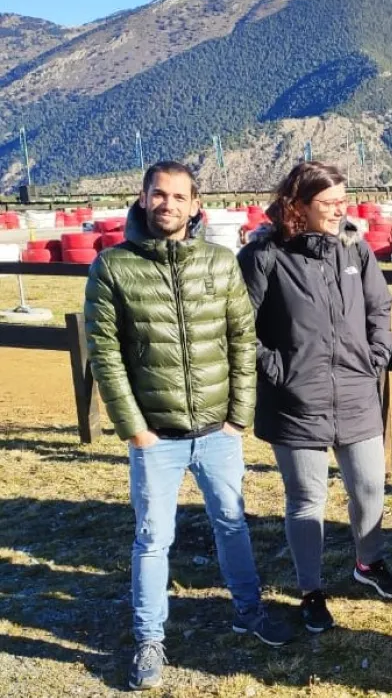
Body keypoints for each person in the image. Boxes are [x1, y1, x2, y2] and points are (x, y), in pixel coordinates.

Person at [84, 162, 292, 691]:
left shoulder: (219, 264)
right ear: (143, 198)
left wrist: (238, 417)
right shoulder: (113, 267)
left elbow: (241, 340)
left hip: (217, 431)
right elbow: (105, 354)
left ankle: (249, 611)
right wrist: (134, 428)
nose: (168, 204)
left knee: (233, 523)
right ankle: (149, 638)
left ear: (196, 205)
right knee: (153, 539)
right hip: (155, 436)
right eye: (159, 194)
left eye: (179, 196)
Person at [237, 162, 392, 635]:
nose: (338, 211)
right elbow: (238, 324)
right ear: (298, 205)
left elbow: (380, 306)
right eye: (328, 203)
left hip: (356, 393)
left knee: (369, 488)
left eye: (342, 202)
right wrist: (276, 369)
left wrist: (375, 357)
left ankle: (368, 562)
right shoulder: (264, 255)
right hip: (295, 402)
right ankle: (310, 590)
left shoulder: (355, 249)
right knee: (307, 500)